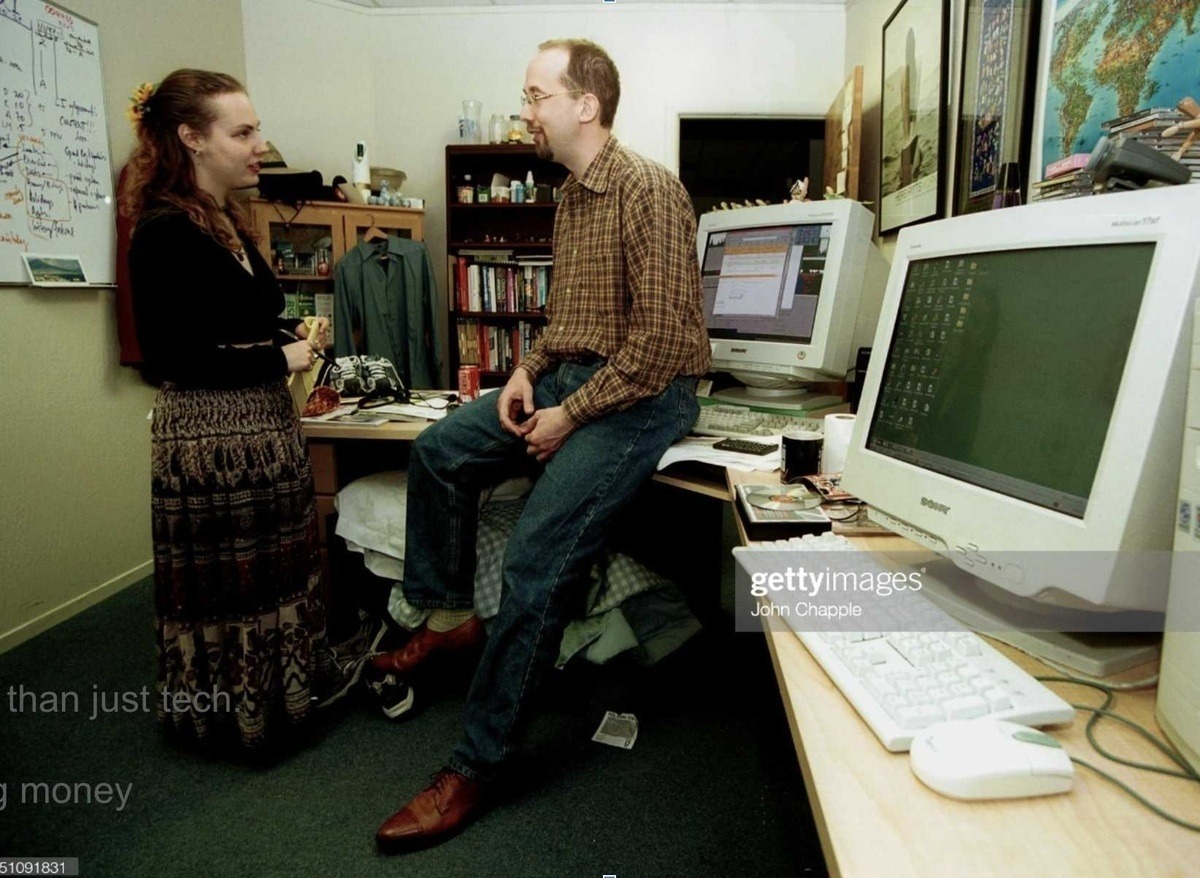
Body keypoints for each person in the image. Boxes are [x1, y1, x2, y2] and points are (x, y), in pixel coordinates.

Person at [370, 39, 710, 850]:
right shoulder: (569, 198)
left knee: (532, 561)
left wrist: (572, 414)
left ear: (585, 105)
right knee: (439, 452)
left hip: (644, 398)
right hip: (575, 378)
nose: (524, 110)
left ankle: (474, 766)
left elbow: (660, 345)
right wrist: (527, 372)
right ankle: (450, 615)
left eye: (535, 95)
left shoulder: (650, 192)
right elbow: (567, 323)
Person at [121, 69, 330, 751]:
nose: (260, 146)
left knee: (273, 575)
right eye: (242, 132)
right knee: (227, 587)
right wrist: (279, 360)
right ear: (191, 138)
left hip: (263, 433)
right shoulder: (161, 232)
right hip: (210, 445)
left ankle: (281, 702)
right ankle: (226, 720)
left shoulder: (228, 222)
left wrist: (283, 336)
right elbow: (171, 356)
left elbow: (230, 321)